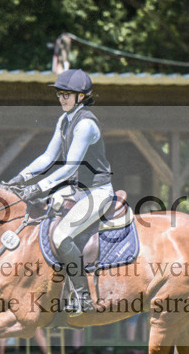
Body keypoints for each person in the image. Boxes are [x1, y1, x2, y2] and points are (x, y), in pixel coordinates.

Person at [6, 68, 114, 315]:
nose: (62, 98)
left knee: (60, 236)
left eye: (67, 94)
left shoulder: (85, 124)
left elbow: (68, 168)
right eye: (60, 94)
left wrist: (38, 187)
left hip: (98, 191)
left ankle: (83, 296)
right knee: (41, 222)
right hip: (77, 190)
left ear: (82, 96)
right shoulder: (64, 120)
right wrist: (21, 177)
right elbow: (47, 157)